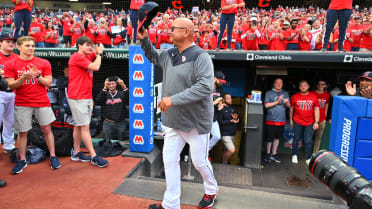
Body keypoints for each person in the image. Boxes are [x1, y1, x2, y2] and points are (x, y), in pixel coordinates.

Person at [138, 18, 218, 209]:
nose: (170, 31)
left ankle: (211, 189)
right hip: (173, 121)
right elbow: (153, 56)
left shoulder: (201, 56)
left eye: (174, 29)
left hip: (195, 122)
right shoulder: (170, 53)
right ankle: (171, 203)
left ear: (188, 32)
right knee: (169, 160)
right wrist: (144, 40)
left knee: (199, 163)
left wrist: (173, 99)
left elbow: (205, 87)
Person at [4, 36, 61, 174]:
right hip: (22, 102)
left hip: (41, 101)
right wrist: (23, 77)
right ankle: (22, 160)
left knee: (47, 129)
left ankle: (53, 156)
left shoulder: (43, 62)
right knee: (23, 132)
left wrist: (37, 76)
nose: (31, 48)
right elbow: (10, 85)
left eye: (32, 46)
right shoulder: (11, 64)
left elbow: (48, 83)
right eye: (27, 45)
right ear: (19, 47)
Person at [67, 36, 108, 168]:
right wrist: (100, 53)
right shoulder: (77, 57)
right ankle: (93, 156)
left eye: (90, 45)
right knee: (84, 126)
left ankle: (76, 152)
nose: (89, 47)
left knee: (79, 125)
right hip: (78, 97)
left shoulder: (85, 56)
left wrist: (97, 50)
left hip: (84, 96)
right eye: (86, 45)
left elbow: (94, 52)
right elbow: (96, 67)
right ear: (79, 45)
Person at [289, 80, 319, 165]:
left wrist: (316, 122)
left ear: (308, 86)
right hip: (297, 121)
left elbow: (316, 109)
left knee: (308, 140)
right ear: (299, 87)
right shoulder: (295, 96)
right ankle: (294, 155)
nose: (303, 87)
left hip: (310, 122)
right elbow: (291, 109)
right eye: (301, 85)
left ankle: (308, 157)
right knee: (296, 139)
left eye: (305, 85)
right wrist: (291, 120)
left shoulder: (313, 96)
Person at [263, 78, 290, 163]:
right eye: (277, 83)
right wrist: (278, 101)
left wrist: (287, 102)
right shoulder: (269, 93)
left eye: (281, 83)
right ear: (273, 84)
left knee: (277, 138)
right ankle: (268, 154)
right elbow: (266, 105)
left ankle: (274, 154)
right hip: (271, 119)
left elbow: (289, 106)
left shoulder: (285, 93)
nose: (279, 84)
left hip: (281, 119)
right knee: (269, 138)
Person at [95, 76, 128, 141]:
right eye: (109, 84)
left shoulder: (121, 94)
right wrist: (104, 87)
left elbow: (130, 97)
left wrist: (123, 85)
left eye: (113, 84)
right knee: (107, 142)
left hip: (120, 122)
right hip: (107, 122)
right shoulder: (105, 94)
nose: (111, 86)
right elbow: (98, 100)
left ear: (116, 84)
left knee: (120, 142)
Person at [0, 33, 18, 154]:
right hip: (0, 92)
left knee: (10, 120)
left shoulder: (17, 57)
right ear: (0, 43)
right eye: (8, 41)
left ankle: (8, 144)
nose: (11, 43)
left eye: (13, 42)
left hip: (13, 92)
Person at [218, 93, 239, 164]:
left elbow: (235, 117)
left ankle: (224, 163)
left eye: (231, 98)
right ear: (224, 100)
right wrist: (230, 121)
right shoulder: (221, 108)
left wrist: (236, 119)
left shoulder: (232, 108)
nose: (230, 100)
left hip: (232, 133)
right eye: (228, 98)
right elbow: (220, 121)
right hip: (225, 134)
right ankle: (224, 162)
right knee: (232, 150)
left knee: (226, 150)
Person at [208, 71, 226, 153]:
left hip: (214, 118)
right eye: (220, 81)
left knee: (217, 136)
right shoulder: (206, 87)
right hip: (203, 118)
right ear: (215, 78)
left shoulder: (220, 89)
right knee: (202, 138)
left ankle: (206, 151)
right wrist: (214, 102)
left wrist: (221, 105)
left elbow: (221, 100)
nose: (221, 83)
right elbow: (202, 105)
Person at [312, 80, 330, 154]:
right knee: (309, 138)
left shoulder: (327, 95)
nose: (320, 86)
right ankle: (308, 153)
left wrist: (325, 116)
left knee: (318, 138)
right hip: (312, 119)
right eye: (319, 84)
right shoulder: (312, 93)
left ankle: (314, 153)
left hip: (322, 119)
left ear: (325, 86)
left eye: (322, 84)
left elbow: (326, 106)